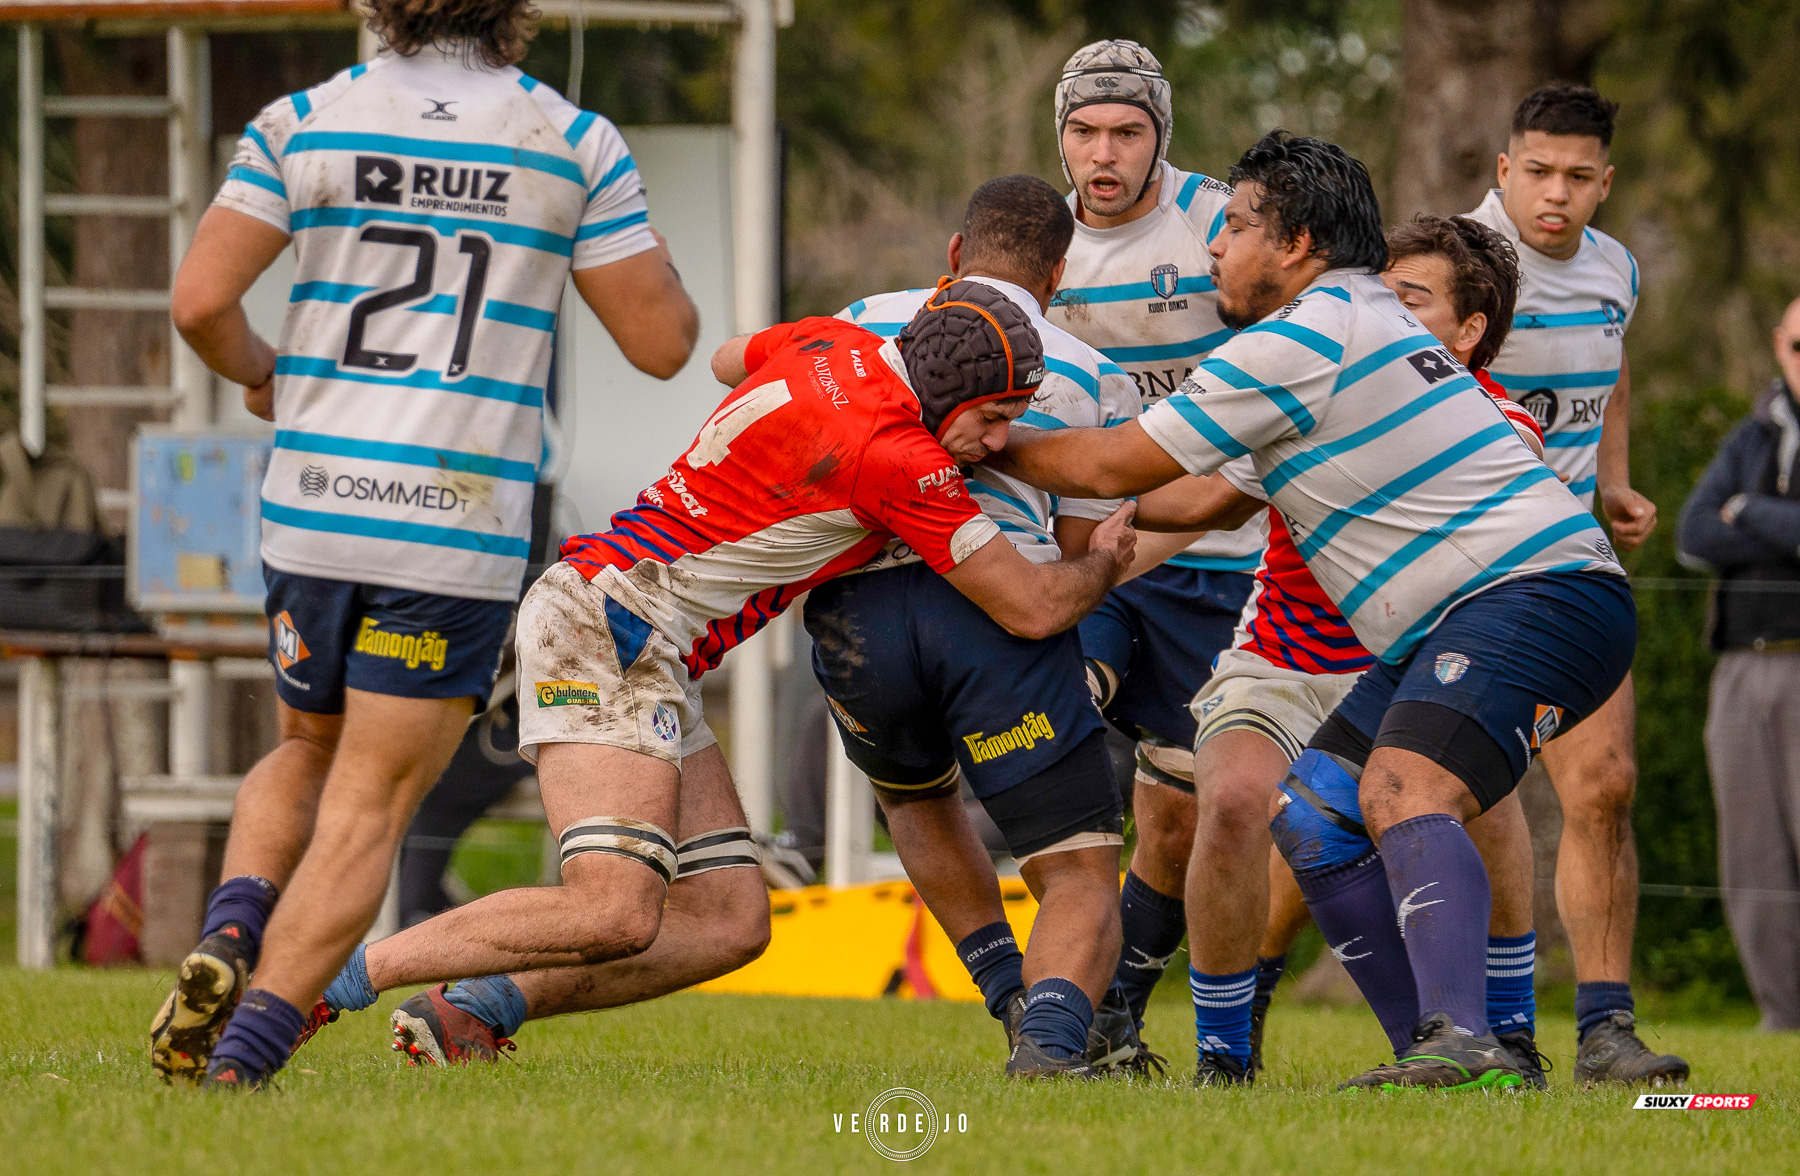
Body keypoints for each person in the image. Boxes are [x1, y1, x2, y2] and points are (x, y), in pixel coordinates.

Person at [303, 280, 1138, 1073]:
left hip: (640, 633)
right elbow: (1029, 606)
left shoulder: (832, 340)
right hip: (611, 628)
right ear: (946, 394)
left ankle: (473, 1010)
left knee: (732, 924)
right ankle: (322, 979)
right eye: (992, 421)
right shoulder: (898, 456)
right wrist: (1100, 564)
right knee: (613, 908)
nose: (997, 447)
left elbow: (731, 358)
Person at [988, 130, 1636, 1092]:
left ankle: (1464, 1045)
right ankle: (1452, 1050)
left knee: (1402, 789)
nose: (1214, 247)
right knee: (1323, 810)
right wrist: (1075, 504)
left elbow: (1114, 463)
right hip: (1497, 608)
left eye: (1237, 227)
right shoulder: (1360, 321)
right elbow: (1196, 500)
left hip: (1530, 594)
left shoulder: (1304, 338)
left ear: (1294, 243)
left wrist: (976, 439)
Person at [149, 0, 698, 1088]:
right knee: (370, 805)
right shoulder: (571, 141)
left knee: (305, 750)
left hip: (313, 507)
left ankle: (230, 925)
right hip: (454, 527)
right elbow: (661, 343)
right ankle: (242, 1061)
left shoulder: (307, 119)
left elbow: (200, 300)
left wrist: (269, 374)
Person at [1151, 214, 1549, 1085]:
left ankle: (1506, 1036)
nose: (1384, 313)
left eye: (1410, 299)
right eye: (1381, 293)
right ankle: (1226, 1052)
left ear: (1470, 332)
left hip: (1410, 663)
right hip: (1284, 663)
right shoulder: (1321, 386)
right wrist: (1071, 573)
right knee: (1238, 803)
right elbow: (1190, 504)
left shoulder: (1498, 422)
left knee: (1486, 797)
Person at [830, 175, 1145, 1077]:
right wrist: (1102, 574)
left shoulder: (861, 318)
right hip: (998, 613)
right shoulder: (1091, 373)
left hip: (856, 614)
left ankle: (1007, 989)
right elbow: (1081, 555)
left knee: (912, 796)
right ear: (1057, 273)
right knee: (1078, 867)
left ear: (957, 253)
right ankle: (1048, 1043)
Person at [1041, 38, 1267, 1050]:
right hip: (1097, 552)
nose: (1104, 151)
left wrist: (1196, 502)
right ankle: (1059, 1001)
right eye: (1084, 130)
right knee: (1061, 734)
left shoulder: (1221, 222)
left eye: (1127, 131)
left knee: (1179, 816)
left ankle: (1118, 1008)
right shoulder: (1041, 241)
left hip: (1218, 557)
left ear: (1160, 136)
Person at [1466, 83, 1687, 1084]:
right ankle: (1238, 1004)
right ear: (1503, 169)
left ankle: (1604, 1029)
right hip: (1456, 568)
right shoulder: (1452, 267)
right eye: (1536, 173)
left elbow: (1616, 365)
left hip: (1567, 562)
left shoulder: (1617, 269)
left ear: (1606, 181)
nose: (1554, 195)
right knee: (1438, 798)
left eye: (1576, 178)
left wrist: (1612, 479)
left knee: (1605, 787)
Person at [1677, 294, 1800, 1032]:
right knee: (1752, 858)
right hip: (1739, 670)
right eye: (1797, 345)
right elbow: (1693, 533)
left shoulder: (1749, 472)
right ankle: (1782, 1019)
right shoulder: (1752, 433)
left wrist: (1748, 513)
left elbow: (1728, 521)